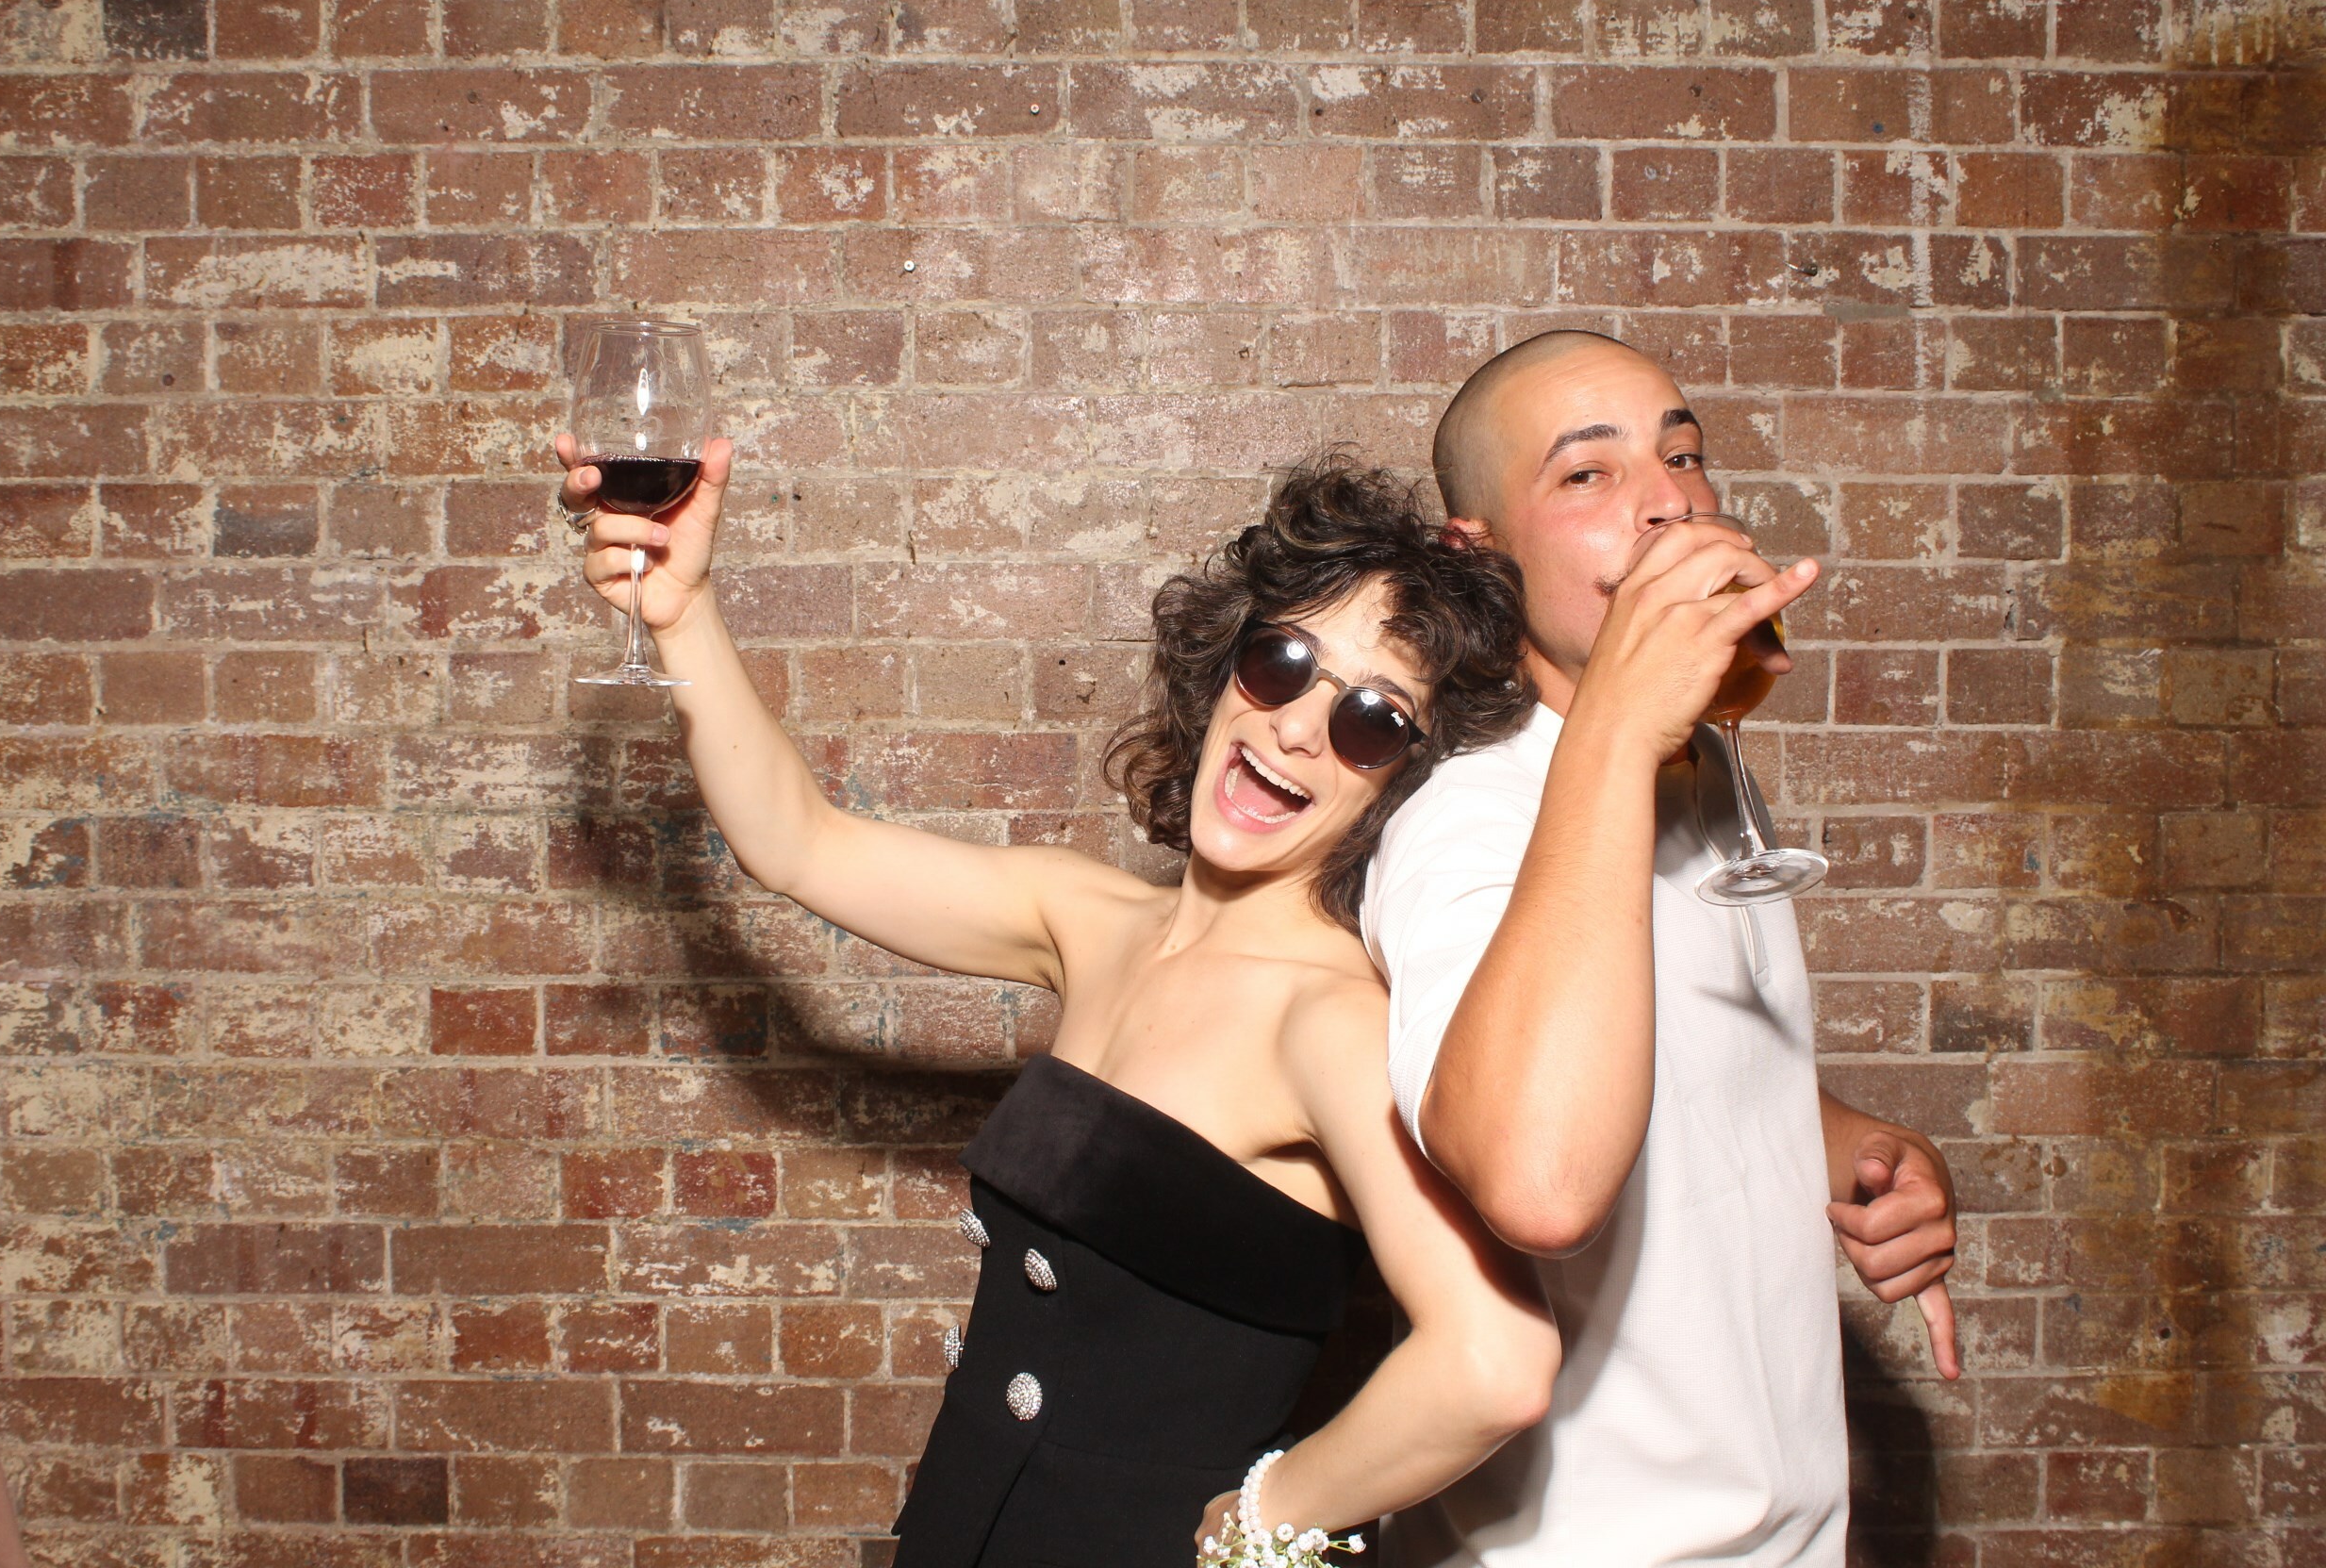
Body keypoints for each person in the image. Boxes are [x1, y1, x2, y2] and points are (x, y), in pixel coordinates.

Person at [557, 433, 1794, 1565]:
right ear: (1226, 668)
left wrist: (1262, 1521)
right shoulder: (1088, 920)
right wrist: (685, 612)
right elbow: (799, 843)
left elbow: (1497, 1360)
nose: (1300, 729)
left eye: (1371, 722)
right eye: (1284, 662)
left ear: (1399, 782)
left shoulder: (1330, 1024)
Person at [1362, 329, 1963, 1566]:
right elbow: (1538, 1183)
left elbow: (1671, 1063)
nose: (1669, 502)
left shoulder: (1698, 776)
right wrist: (1623, 726)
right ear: (1480, 557)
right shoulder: (1470, 822)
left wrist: (1849, 1148)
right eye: (1588, 473)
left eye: (1681, 455)